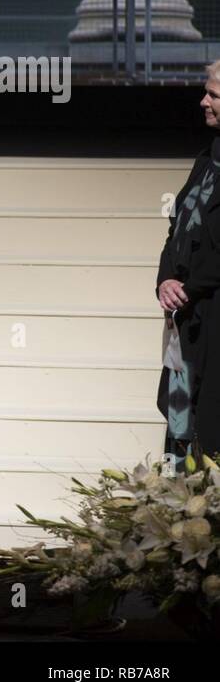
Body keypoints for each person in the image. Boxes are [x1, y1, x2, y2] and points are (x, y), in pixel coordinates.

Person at [156, 59, 220, 468]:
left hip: (213, 317)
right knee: (181, 432)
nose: (203, 101)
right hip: (188, 324)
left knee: (211, 433)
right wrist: (164, 280)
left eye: (214, 94)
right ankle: (179, 524)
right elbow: (176, 228)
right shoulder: (207, 158)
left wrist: (189, 287)